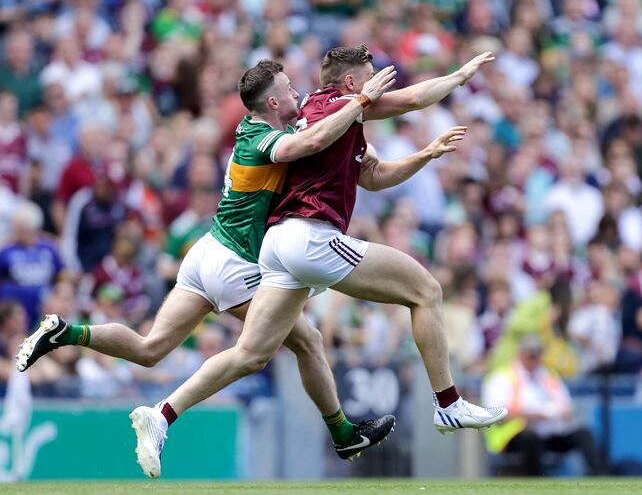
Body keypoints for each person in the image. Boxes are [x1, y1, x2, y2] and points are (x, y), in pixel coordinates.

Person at [16, 59, 399, 476]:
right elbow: (308, 145)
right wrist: (361, 101)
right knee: (288, 345)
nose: (296, 93)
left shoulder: (261, 127)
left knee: (150, 349)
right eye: (289, 89)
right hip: (235, 261)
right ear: (272, 100)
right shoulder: (264, 136)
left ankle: (65, 332)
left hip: (207, 251)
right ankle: (166, 415)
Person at [139, 46, 506, 477]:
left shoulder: (320, 114)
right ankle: (449, 404)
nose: (377, 84)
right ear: (351, 83)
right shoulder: (344, 106)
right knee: (427, 290)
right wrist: (461, 74)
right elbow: (411, 99)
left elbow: (373, 176)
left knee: (250, 353)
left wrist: (424, 154)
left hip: (276, 246)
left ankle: (161, 414)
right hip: (310, 237)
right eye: (369, 77)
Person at [482, 334, 600, 476]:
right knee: (531, 439)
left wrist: (558, 412)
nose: (534, 359)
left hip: (549, 433)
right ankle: (537, 481)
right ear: (521, 353)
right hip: (514, 436)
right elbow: (496, 415)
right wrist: (534, 415)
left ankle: (600, 476)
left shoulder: (548, 375)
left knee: (584, 434)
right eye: (530, 354)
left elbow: (567, 407)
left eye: (537, 354)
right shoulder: (503, 377)